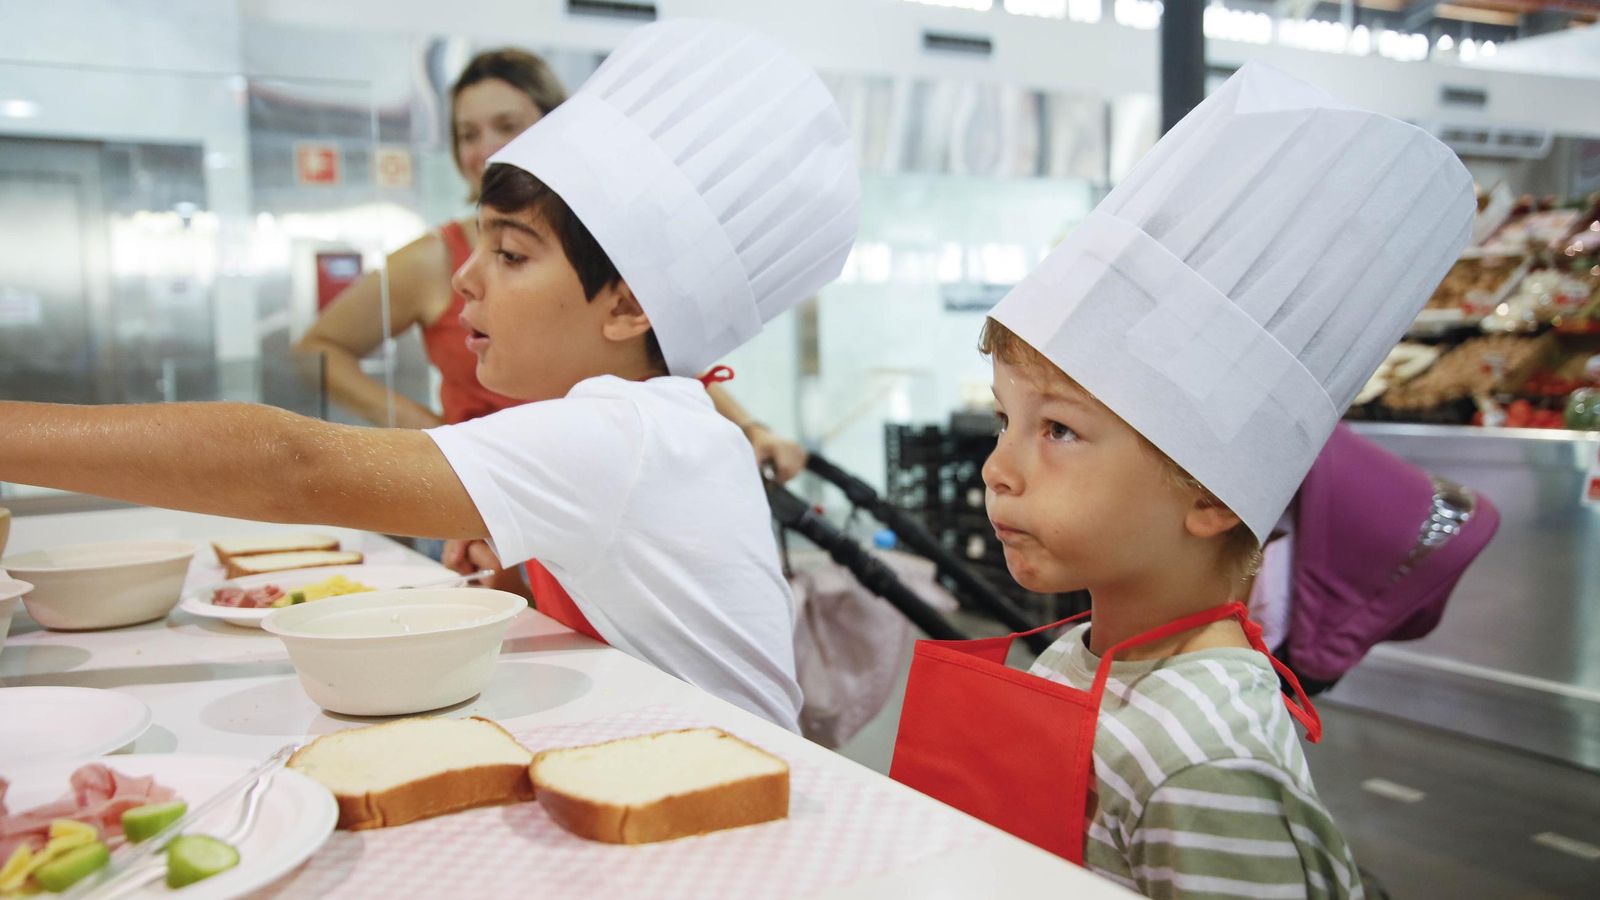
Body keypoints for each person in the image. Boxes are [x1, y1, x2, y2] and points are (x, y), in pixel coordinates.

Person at [0, 19, 860, 732]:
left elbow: (289, 465)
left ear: (629, 308)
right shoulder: (635, 418)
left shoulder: (622, 432)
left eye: (511, 253)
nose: (464, 279)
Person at [888, 62, 1475, 898]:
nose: (998, 468)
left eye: (1057, 429)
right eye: (1003, 421)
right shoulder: (1075, 657)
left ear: (1209, 492)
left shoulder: (1205, 763)